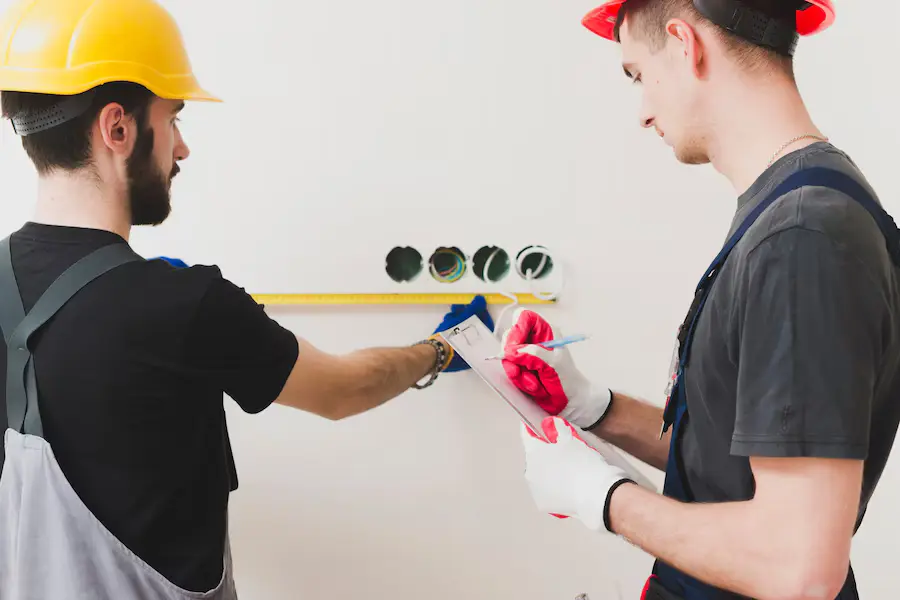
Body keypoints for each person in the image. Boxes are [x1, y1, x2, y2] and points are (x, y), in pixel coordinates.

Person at [0, 1, 491, 598]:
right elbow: (344, 389)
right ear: (118, 129)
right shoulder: (185, 305)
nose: (182, 149)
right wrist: (442, 348)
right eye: (173, 118)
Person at [501, 1, 900, 599]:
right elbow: (730, 459)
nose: (642, 112)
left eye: (637, 74)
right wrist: (593, 407)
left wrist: (600, 496)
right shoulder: (793, 209)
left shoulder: (800, 239)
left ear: (685, 44)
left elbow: (798, 568)